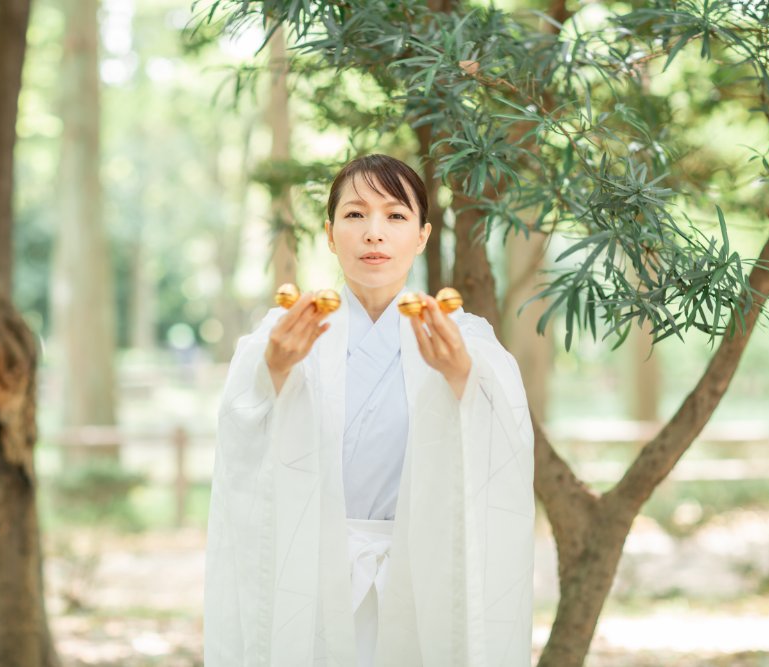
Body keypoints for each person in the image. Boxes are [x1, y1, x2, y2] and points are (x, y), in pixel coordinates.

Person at [205, 154, 535, 666]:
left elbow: (505, 443)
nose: (374, 233)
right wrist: (273, 370)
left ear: (423, 235)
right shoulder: (287, 330)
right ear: (331, 233)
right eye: (355, 215)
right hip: (313, 562)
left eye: (395, 216)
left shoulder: (464, 338)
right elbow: (242, 437)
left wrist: (462, 376)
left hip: (423, 563)